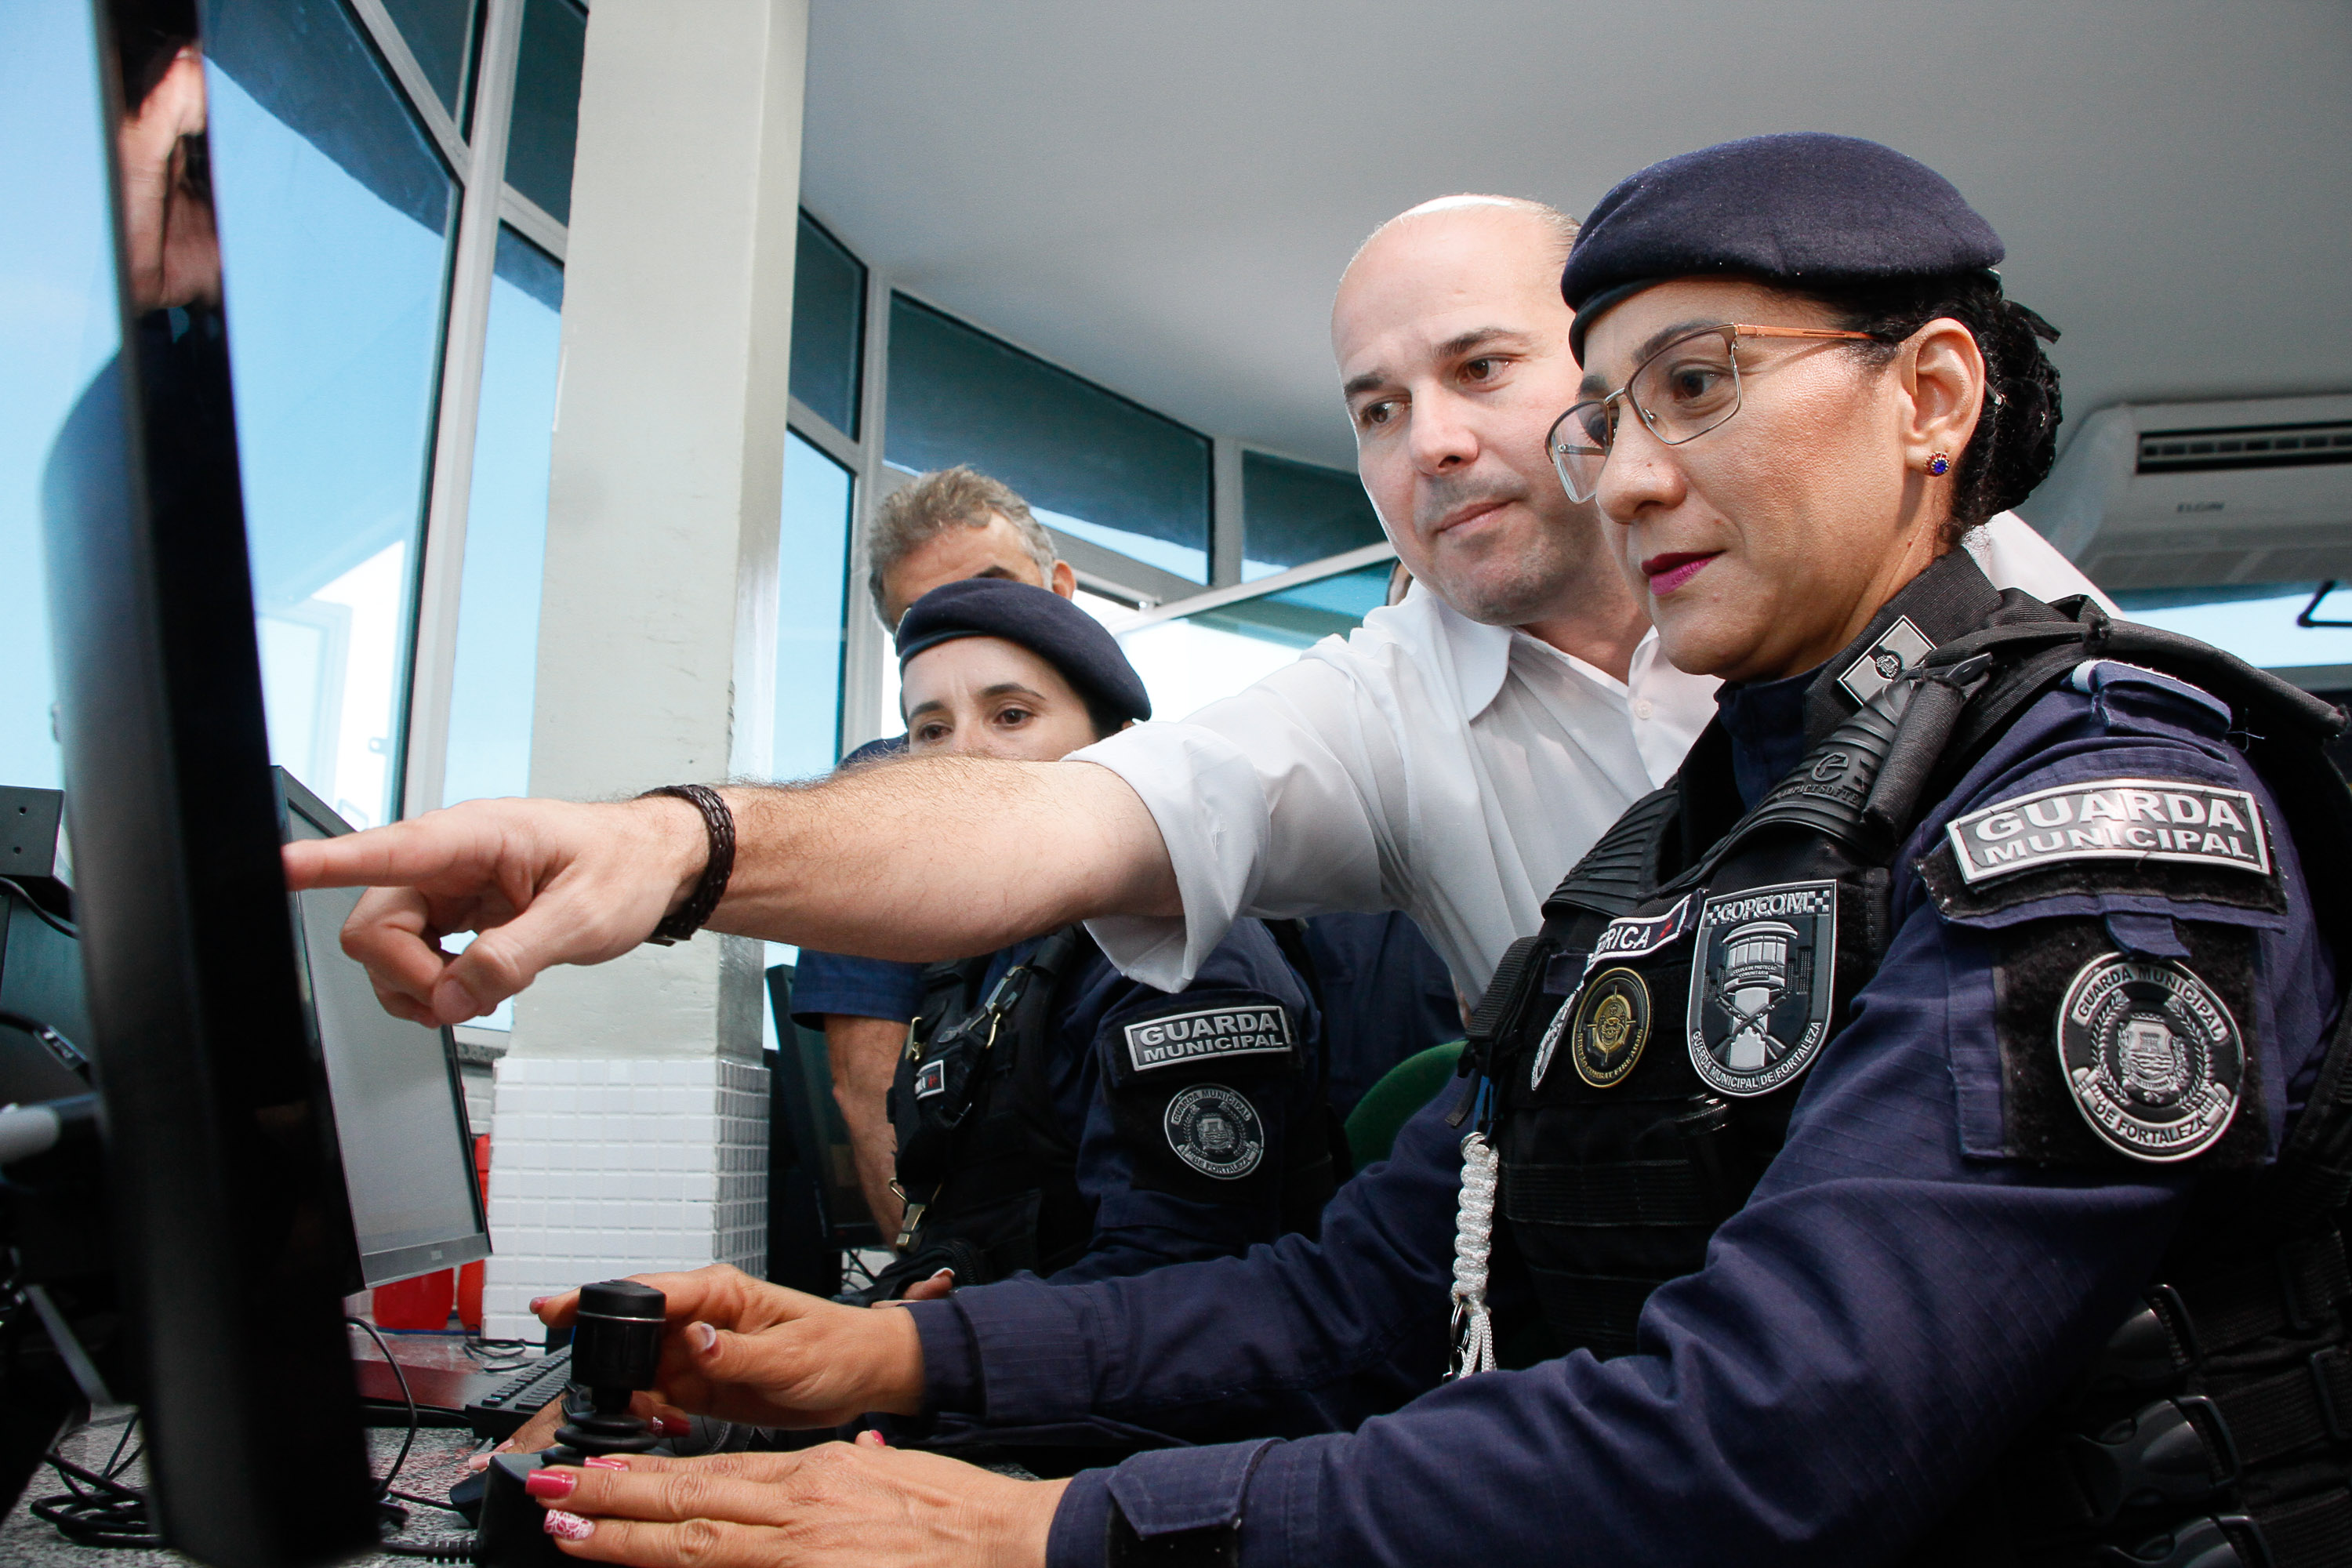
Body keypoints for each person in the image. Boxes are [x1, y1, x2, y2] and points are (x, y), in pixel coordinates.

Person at [473, 136, 2350, 1568]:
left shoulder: (2092, 792)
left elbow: (1777, 1429)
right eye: (1608, 414)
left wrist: (1034, 1532)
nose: (1611, 472)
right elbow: (1362, 1289)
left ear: (1930, 399)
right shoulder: (1666, 861)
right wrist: (891, 1370)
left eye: (1692, 387)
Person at [824, 576, 1342, 1299]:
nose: (961, 757)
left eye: (1010, 715)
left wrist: (905, 1357)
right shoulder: (971, 959)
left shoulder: (1181, 957)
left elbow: (1173, 1298)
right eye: (931, 730)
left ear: (1119, 750)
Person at [790, 465, 1081, 1232]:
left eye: (995, 591)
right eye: (931, 618)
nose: (973, 632)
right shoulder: (878, 803)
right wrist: (925, 1300)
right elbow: (866, 1092)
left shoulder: (1177, 777)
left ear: (1059, 589)